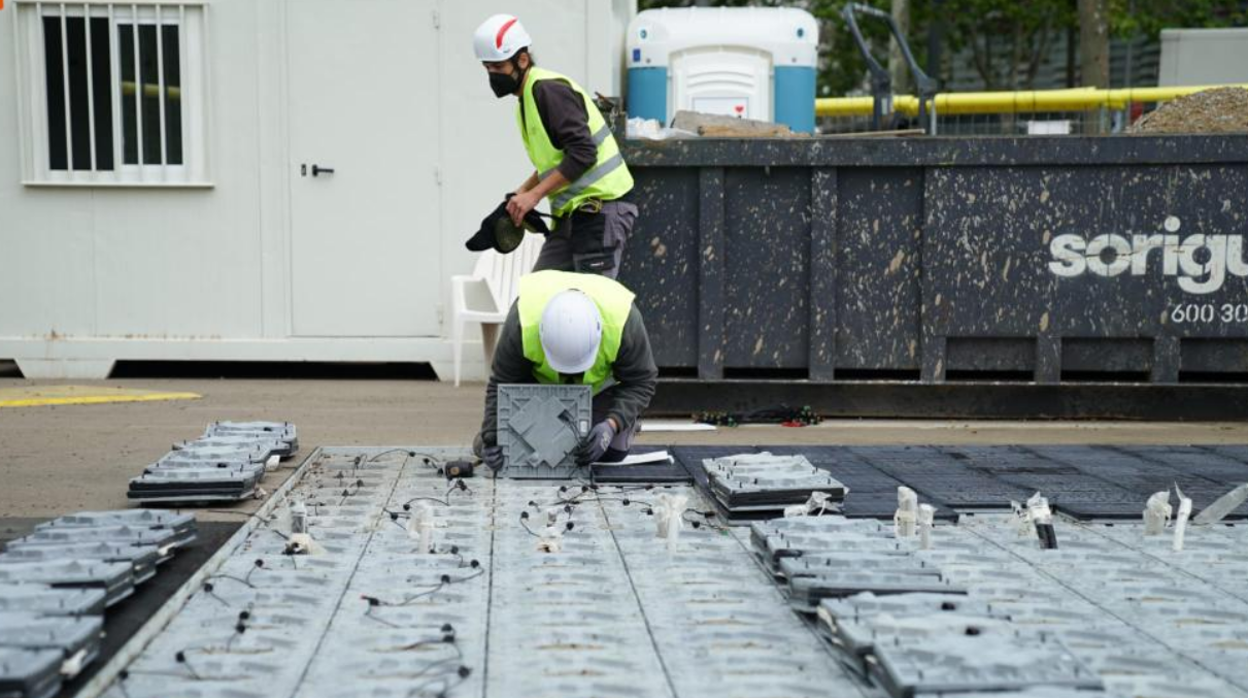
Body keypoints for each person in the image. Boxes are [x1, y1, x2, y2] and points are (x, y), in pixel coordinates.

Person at [473, 14, 638, 278]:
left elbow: (583, 153)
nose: (492, 75)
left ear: (522, 60)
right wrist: (521, 193)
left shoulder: (547, 91)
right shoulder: (526, 102)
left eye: (498, 67)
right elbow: (555, 162)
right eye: (487, 68)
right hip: (573, 216)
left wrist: (534, 196)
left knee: (591, 305)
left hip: (601, 210)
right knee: (534, 302)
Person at [474, 270, 658, 468]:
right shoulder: (523, 321)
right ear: (542, 335)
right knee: (513, 450)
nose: (570, 375)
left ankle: (616, 429)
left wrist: (612, 425)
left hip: (599, 392)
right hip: (539, 391)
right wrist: (492, 436)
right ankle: (494, 439)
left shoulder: (623, 321)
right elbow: (501, 382)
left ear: (599, 334)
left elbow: (641, 382)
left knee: (611, 452)